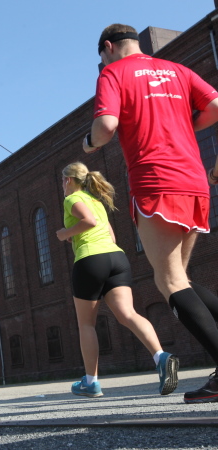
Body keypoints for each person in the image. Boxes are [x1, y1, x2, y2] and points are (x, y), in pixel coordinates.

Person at [85, 24, 218, 403]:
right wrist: (188, 124)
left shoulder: (113, 73)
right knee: (180, 278)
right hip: (195, 180)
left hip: (156, 180)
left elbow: (106, 125)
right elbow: (215, 107)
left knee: (170, 282)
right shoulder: (177, 70)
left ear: (107, 47)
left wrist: (89, 142)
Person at [56, 162, 178, 397]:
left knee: (86, 324)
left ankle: (91, 382)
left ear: (68, 180)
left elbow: (88, 222)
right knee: (128, 314)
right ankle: (161, 357)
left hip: (90, 260)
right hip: (116, 258)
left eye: (62, 180)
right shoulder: (96, 202)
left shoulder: (72, 198)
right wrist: (75, 235)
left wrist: (64, 234)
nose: (62, 185)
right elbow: (109, 234)